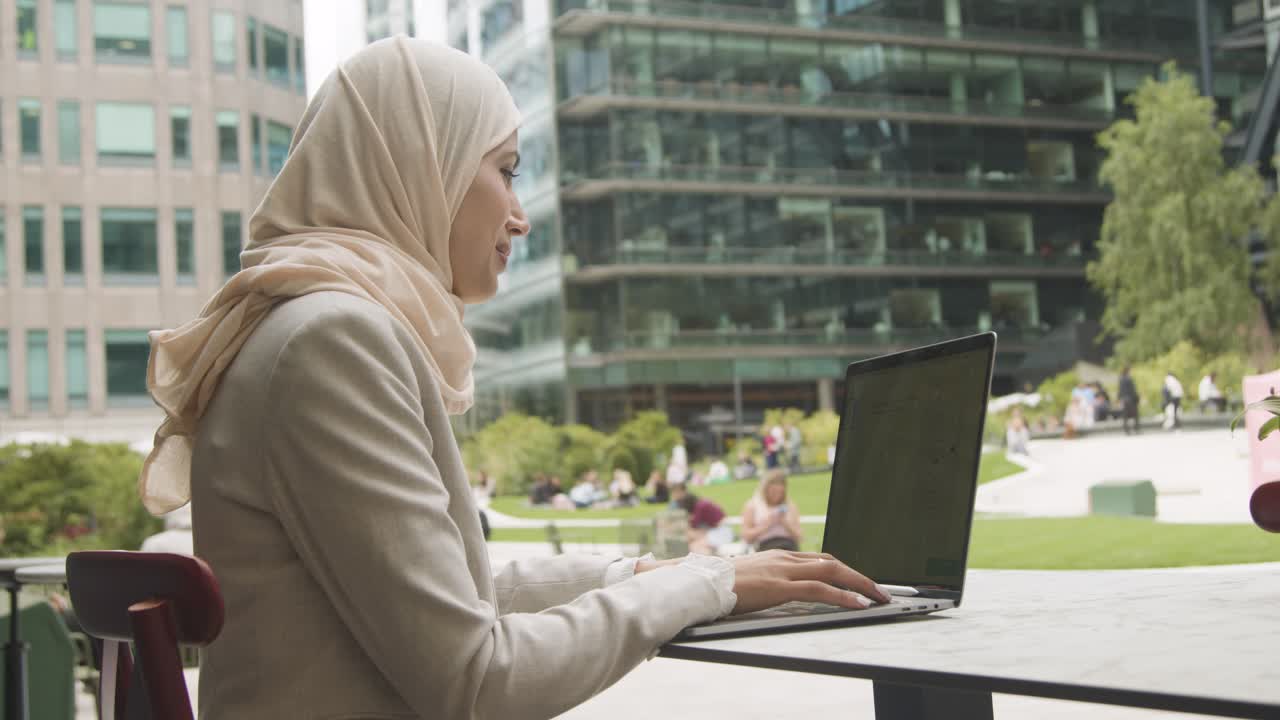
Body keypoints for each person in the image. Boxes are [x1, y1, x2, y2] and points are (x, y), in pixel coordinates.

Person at [136, 38, 890, 720]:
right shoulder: (335, 340)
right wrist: (705, 586)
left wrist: (652, 570)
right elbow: (477, 679)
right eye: (505, 170)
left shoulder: (309, 324)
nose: (521, 216)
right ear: (419, 163)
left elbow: (445, 596)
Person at [740, 469, 803, 552]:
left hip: (789, 546)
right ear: (765, 490)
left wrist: (784, 523)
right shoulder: (752, 506)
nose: (777, 495)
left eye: (780, 492)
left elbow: (800, 537)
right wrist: (767, 524)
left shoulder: (790, 506)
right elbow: (746, 537)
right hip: (765, 547)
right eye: (773, 492)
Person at [670, 483, 735, 555]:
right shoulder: (701, 504)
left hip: (721, 532)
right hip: (716, 530)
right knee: (691, 539)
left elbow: (693, 525)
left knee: (693, 545)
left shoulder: (700, 507)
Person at [1119, 366, 1141, 435]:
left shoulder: (1121, 379)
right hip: (1130, 399)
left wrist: (1119, 398)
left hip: (1124, 400)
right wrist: (1137, 398)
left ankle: (1126, 430)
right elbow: (1132, 390)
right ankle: (1136, 429)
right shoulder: (1129, 379)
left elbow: (1120, 390)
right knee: (1135, 414)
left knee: (1125, 415)